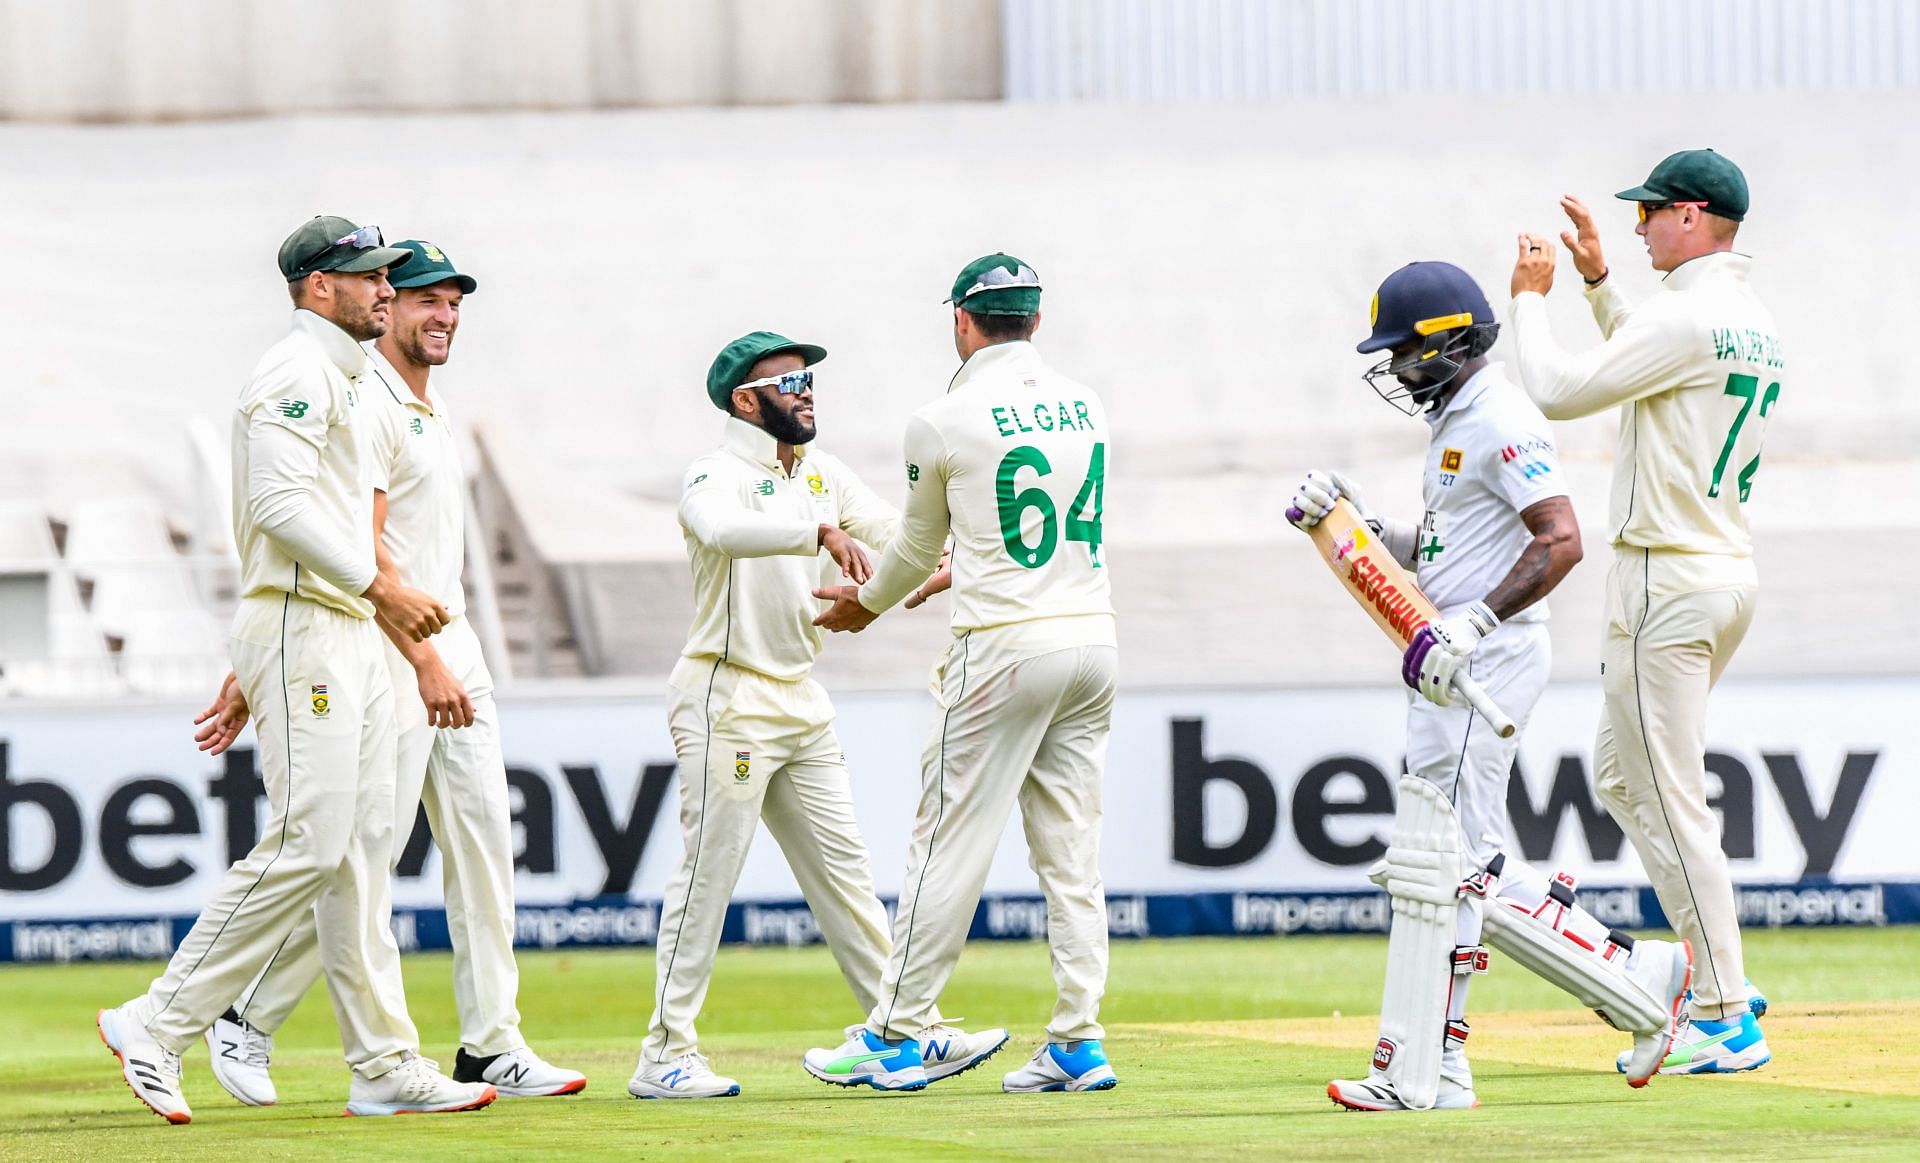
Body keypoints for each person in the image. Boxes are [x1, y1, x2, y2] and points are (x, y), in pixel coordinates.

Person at [97, 217, 494, 1122]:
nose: (386, 291)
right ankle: (158, 1020)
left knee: (358, 853)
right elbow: (276, 506)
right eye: (368, 278)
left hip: (339, 625)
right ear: (318, 286)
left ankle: (386, 1062)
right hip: (307, 623)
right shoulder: (295, 370)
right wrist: (376, 593)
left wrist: (370, 599)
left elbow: (337, 514)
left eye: (389, 276)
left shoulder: (352, 377)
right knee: (311, 839)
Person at [1289, 261, 1693, 1112]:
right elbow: (1440, 552)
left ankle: (1427, 1068)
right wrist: (1356, 524)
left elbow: (1560, 539)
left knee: (1448, 865)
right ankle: (1633, 977)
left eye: (1404, 353)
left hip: (1487, 659)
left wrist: (1474, 623)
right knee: (1460, 865)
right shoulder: (1454, 421)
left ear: (1451, 343)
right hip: (1456, 658)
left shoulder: (1503, 416)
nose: (1396, 370)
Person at [196, 240, 585, 1106]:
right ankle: (252, 1017)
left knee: (485, 846)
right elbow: (358, 547)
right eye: (423, 300)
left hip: (454, 645)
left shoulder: (429, 406)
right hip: (391, 648)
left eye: (454, 303)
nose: (443, 317)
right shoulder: (361, 400)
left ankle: (491, 1043)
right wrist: (420, 656)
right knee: (360, 856)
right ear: (386, 308)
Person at [629, 332, 1005, 1099]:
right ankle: (663, 1054)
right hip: (725, 695)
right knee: (708, 878)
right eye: (790, 379)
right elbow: (722, 532)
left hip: (800, 698)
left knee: (847, 879)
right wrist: (816, 530)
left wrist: (968, 552)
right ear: (745, 399)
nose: (806, 390)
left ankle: (909, 1028)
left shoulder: (823, 472)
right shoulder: (716, 471)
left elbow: (902, 535)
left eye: (809, 379)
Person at [806, 255, 1120, 1094]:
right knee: (1072, 853)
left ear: (962, 323)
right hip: (1092, 637)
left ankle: (896, 1035)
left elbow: (912, 546)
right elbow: (1031, 528)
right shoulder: (1087, 404)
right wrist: (969, 567)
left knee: (946, 838)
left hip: (1005, 647)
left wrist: (865, 605)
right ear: (1037, 323)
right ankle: (1078, 1040)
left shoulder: (943, 417)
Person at [1509, 148, 1778, 1075]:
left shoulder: (1691, 315)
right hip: (1715, 569)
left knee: (1669, 795)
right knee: (1623, 779)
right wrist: (1596, 285)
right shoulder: (1741, 317)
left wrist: (1530, 297)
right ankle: (1718, 963)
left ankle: (1726, 1012)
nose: (1637, 225)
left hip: (1668, 576)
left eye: (1652, 211)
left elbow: (1558, 390)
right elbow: (1654, 366)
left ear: (1695, 215)